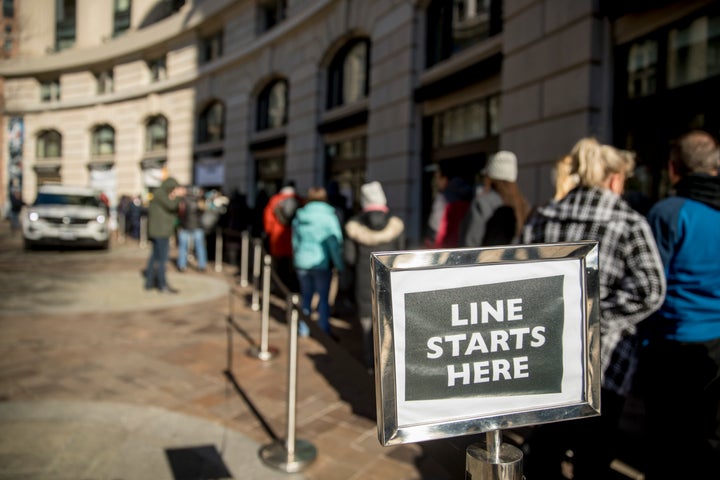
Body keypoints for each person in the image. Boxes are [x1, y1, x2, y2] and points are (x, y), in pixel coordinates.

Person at [521, 137, 666, 479]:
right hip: (603, 365)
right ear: (614, 179)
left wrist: (560, 316)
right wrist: (593, 318)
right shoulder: (628, 223)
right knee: (593, 459)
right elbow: (650, 290)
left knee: (544, 452)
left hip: (548, 357)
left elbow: (520, 281)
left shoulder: (543, 216)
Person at [637, 130, 720, 479]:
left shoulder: (669, 212)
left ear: (673, 168)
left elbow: (649, 285)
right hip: (716, 344)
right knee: (706, 436)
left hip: (671, 343)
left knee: (665, 441)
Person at [344, 181, 405, 371]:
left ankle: (371, 365)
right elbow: (401, 255)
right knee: (389, 322)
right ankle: (390, 364)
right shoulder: (396, 225)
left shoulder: (354, 226)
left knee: (367, 323)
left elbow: (349, 258)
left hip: (365, 280)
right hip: (390, 280)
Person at [292, 186, 344, 339]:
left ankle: (304, 329)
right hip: (321, 262)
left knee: (306, 296)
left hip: (302, 261)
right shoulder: (328, 216)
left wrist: (296, 258)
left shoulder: (300, 215)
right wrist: (339, 264)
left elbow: (295, 241)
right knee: (323, 297)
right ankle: (323, 329)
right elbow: (335, 243)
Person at [459, 150, 531, 247]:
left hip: (487, 260)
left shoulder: (482, 203)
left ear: (490, 176)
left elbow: (471, 242)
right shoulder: (524, 204)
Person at [144, 177, 185, 293]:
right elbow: (171, 206)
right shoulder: (160, 194)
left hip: (160, 231)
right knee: (162, 259)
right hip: (161, 232)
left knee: (154, 257)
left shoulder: (159, 194)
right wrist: (179, 196)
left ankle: (149, 283)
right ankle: (162, 285)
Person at [264, 180, 302, 292]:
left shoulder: (275, 200)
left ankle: (279, 287)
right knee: (293, 267)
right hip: (294, 239)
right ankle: (291, 288)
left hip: (278, 239)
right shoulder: (299, 200)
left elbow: (268, 222)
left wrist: (269, 233)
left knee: (279, 267)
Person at [431, 161, 474, 248]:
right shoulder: (470, 194)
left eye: (437, 178)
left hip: (446, 248)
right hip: (464, 246)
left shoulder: (442, 199)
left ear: (445, 179)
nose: (435, 182)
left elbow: (437, 228)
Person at [176, 185, 208, 272]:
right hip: (197, 226)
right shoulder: (200, 201)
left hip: (185, 226)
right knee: (200, 247)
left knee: (183, 247)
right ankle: (202, 265)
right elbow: (204, 213)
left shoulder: (183, 201)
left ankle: (182, 265)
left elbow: (179, 214)